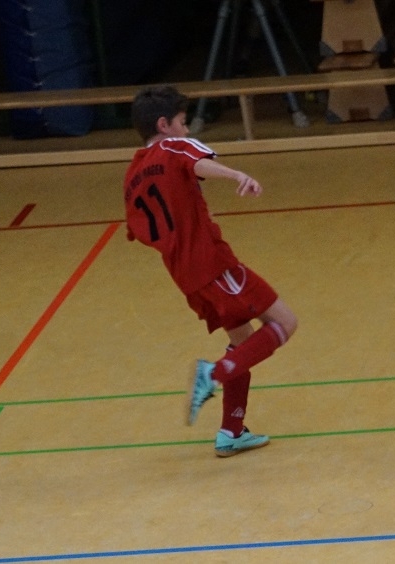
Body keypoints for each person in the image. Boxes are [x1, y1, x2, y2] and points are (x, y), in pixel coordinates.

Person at [124, 85, 297, 457]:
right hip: (214, 264)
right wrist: (236, 175)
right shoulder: (173, 147)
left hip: (185, 276)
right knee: (285, 322)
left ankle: (230, 433)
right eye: (183, 122)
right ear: (164, 125)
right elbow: (195, 161)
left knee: (242, 342)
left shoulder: (133, 174)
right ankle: (213, 374)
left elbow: (138, 230)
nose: (186, 130)